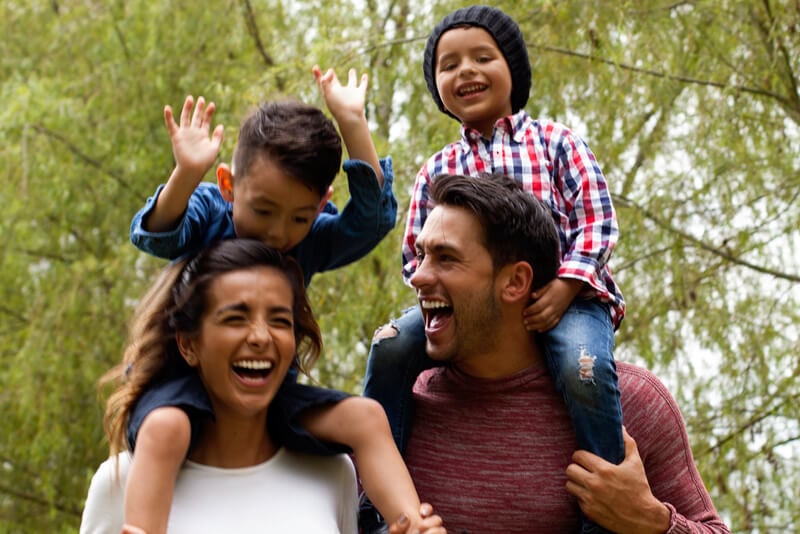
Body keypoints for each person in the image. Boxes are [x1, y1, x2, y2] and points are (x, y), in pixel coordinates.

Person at [121, 67, 436, 533]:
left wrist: (352, 123)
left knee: (367, 416)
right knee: (168, 428)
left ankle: (414, 527)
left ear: (321, 204)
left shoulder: (305, 242)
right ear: (229, 186)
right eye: (263, 210)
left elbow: (369, 223)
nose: (276, 233)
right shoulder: (210, 211)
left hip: (267, 393)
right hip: (181, 385)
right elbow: (158, 236)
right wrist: (186, 174)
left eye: (298, 217)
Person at [363, 6, 625, 533]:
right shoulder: (438, 168)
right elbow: (416, 255)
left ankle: (605, 508)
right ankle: (374, 500)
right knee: (390, 347)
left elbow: (596, 221)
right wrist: (437, 280)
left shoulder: (556, 143)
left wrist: (569, 282)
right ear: (437, 86)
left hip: (567, 299)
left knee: (584, 370)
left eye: (483, 57)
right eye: (449, 64)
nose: (465, 71)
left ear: (515, 71)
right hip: (467, 304)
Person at [373, 172, 729, 533]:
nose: (417, 276)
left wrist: (652, 521)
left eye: (446, 258)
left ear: (515, 282)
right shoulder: (395, 412)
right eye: (421, 255)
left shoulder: (632, 402)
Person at [80, 239, 445, 533]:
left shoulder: (332, 472)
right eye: (235, 318)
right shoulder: (121, 481)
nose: (260, 337)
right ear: (189, 344)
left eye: (279, 320)